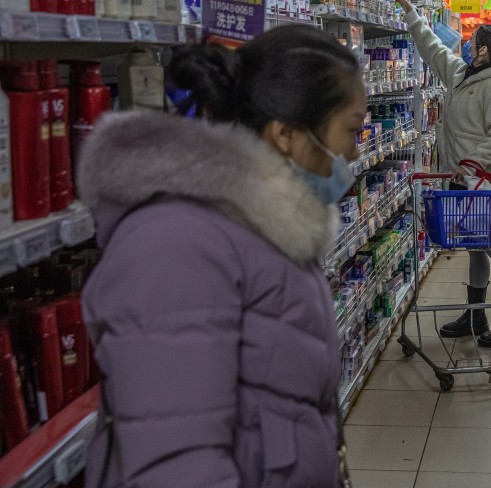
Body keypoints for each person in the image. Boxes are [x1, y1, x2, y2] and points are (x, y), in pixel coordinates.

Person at [78, 26, 365, 488]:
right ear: (287, 133)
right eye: (350, 129)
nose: (354, 150)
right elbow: (173, 462)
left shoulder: (264, 224)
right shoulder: (177, 244)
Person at [395, 0, 491, 349]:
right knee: (475, 248)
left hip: (480, 182)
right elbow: (434, 49)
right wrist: (413, 17)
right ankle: (475, 316)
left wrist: (471, 165)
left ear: (484, 50)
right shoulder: (461, 74)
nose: (467, 45)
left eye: (473, 41)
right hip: (458, 179)